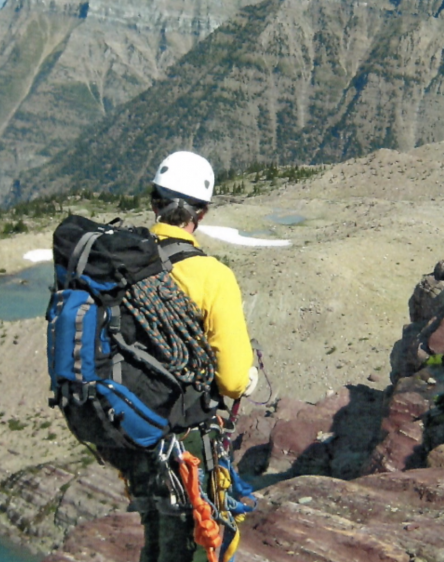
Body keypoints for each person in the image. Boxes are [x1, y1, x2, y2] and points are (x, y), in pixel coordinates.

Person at [101, 150, 258, 562]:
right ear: (201, 214)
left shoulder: (118, 264)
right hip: (183, 440)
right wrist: (246, 378)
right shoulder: (213, 277)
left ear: (154, 201)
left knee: (156, 535)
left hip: (131, 432)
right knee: (194, 542)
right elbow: (233, 381)